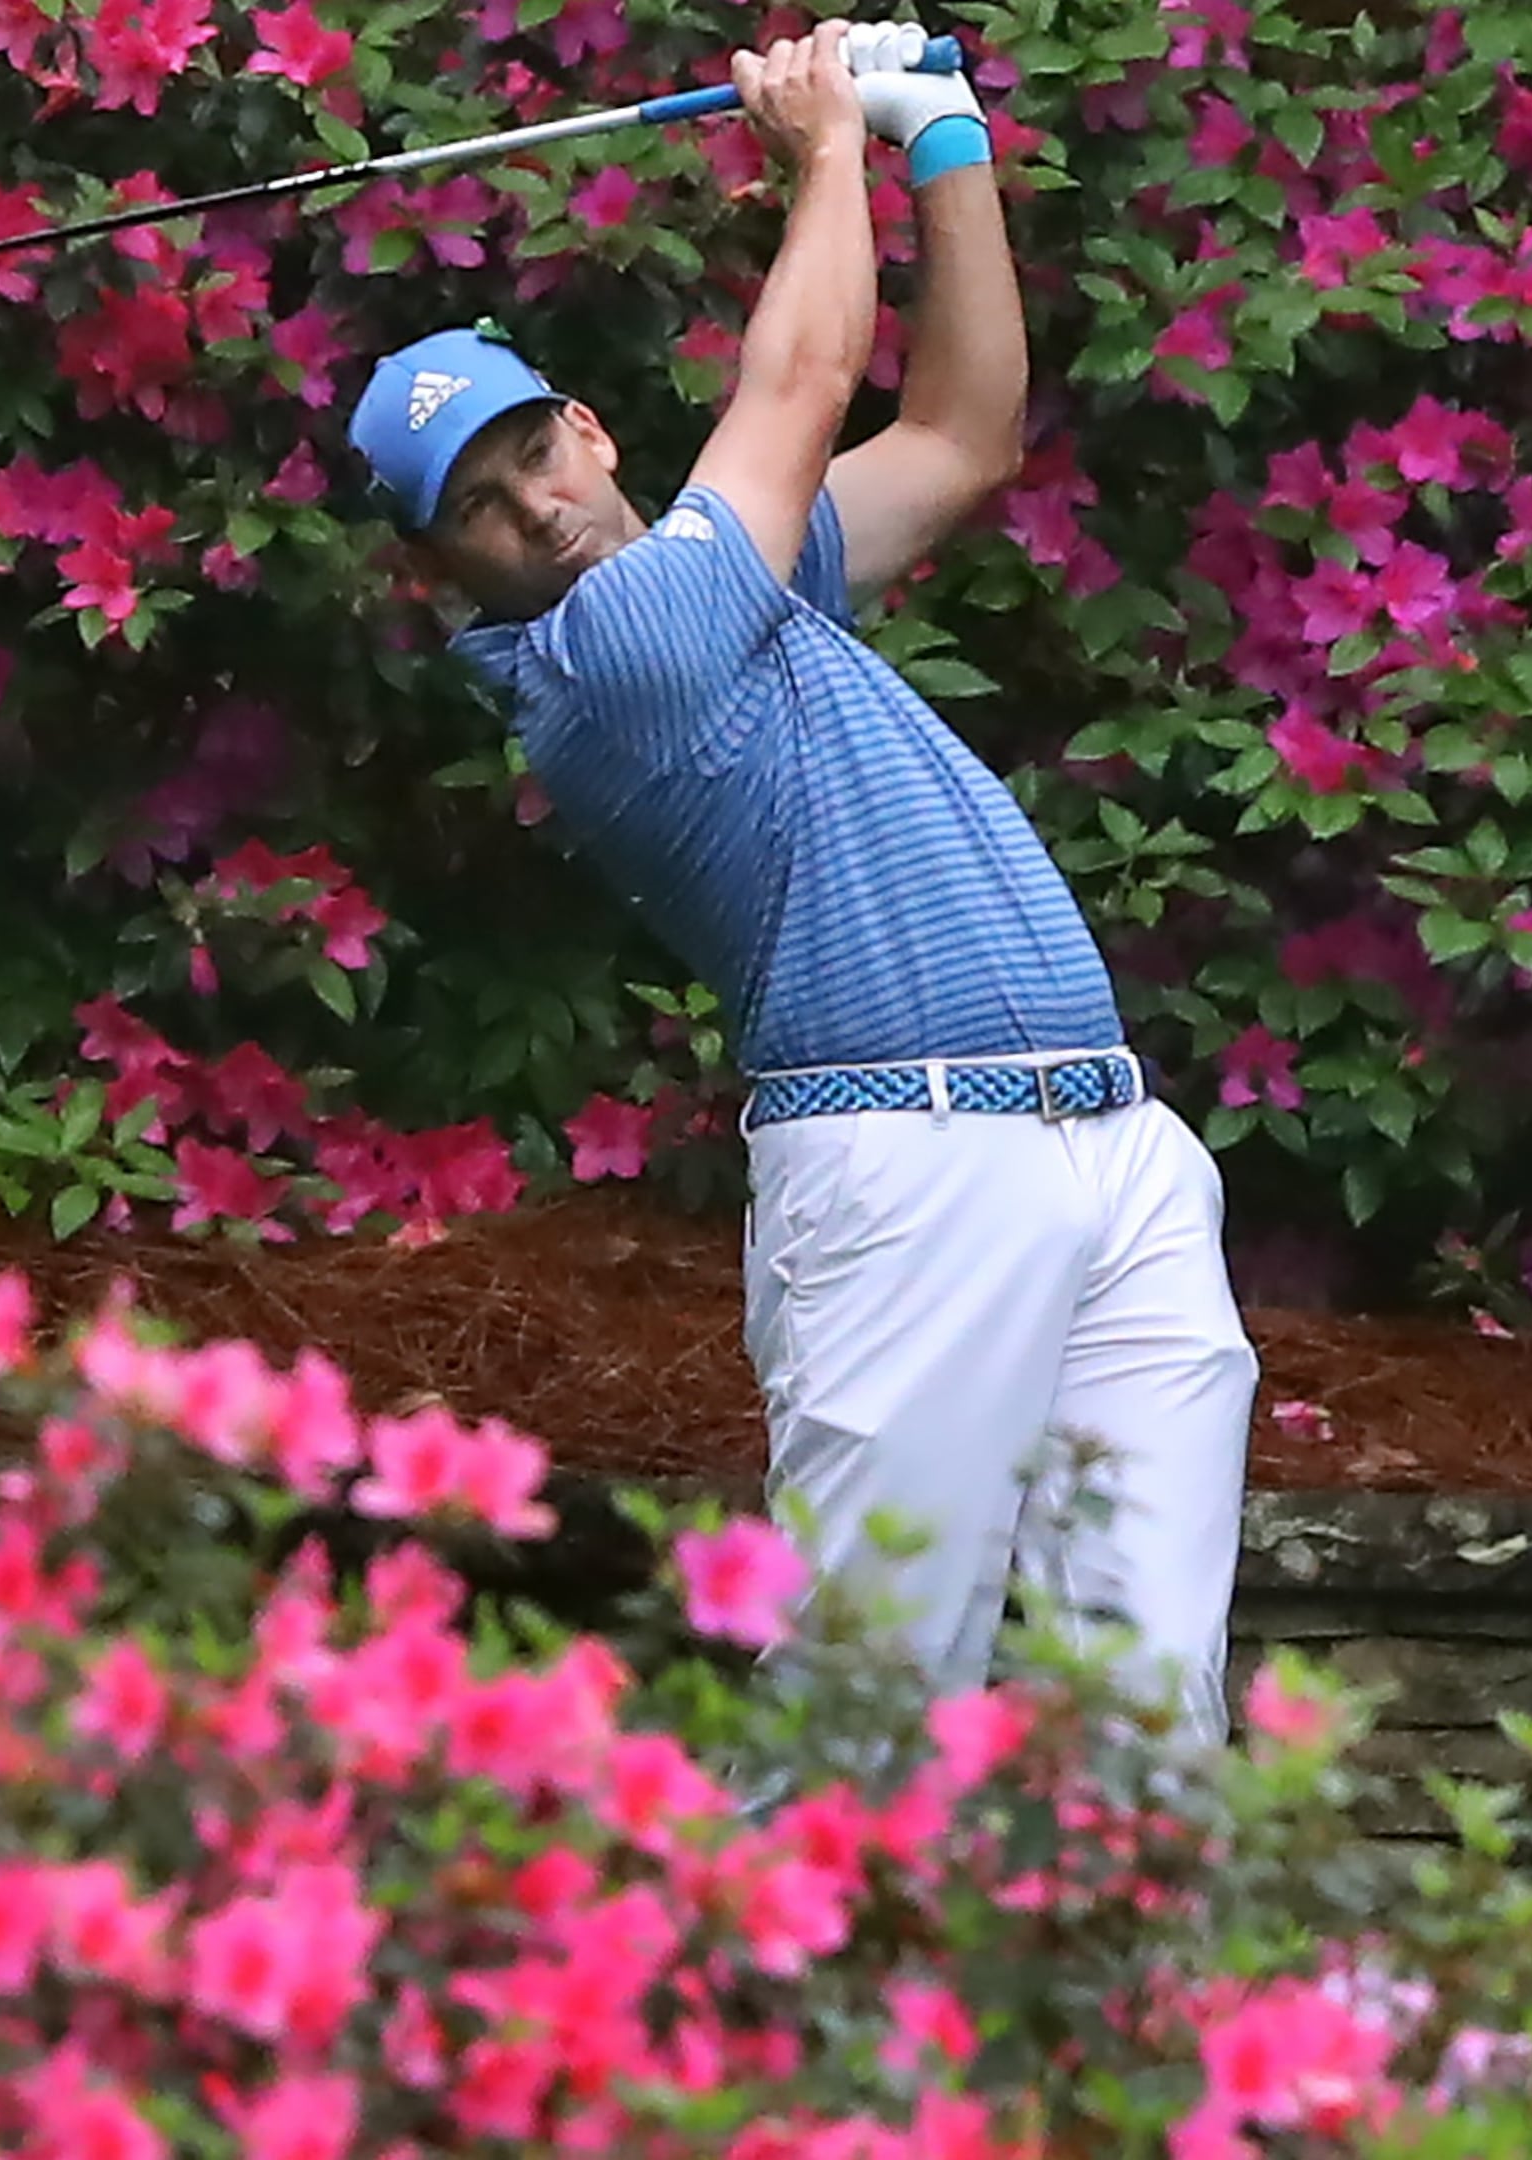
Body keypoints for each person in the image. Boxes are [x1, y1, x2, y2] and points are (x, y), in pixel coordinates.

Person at [341, 21, 1258, 1742]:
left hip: (1112, 1145)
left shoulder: (755, 577)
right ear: (439, 568)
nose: (533, 510)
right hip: (904, 1168)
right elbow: (803, 382)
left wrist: (947, 142)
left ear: (588, 432)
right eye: (476, 509)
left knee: (1148, 1716)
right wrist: (833, 142)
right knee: (870, 1707)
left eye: (533, 453)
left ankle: (1135, 1938)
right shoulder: (615, 659)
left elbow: (963, 433)